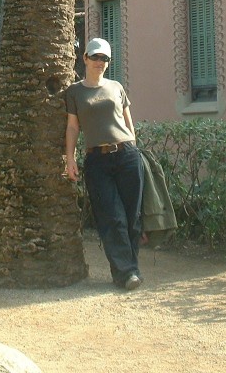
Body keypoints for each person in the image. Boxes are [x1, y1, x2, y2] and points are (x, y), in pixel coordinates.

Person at [65, 38, 145, 291]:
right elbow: (72, 126)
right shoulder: (74, 92)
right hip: (97, 160)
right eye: (95, 57)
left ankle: (127, 270)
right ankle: (128, 271)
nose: (100, 62)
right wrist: (70, 158)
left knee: (132, 218)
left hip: (127, 156)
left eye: (105, 59)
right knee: (112, 217)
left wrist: (134, 148)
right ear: (85, 58)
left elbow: (128, 122)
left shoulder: (116, 87)